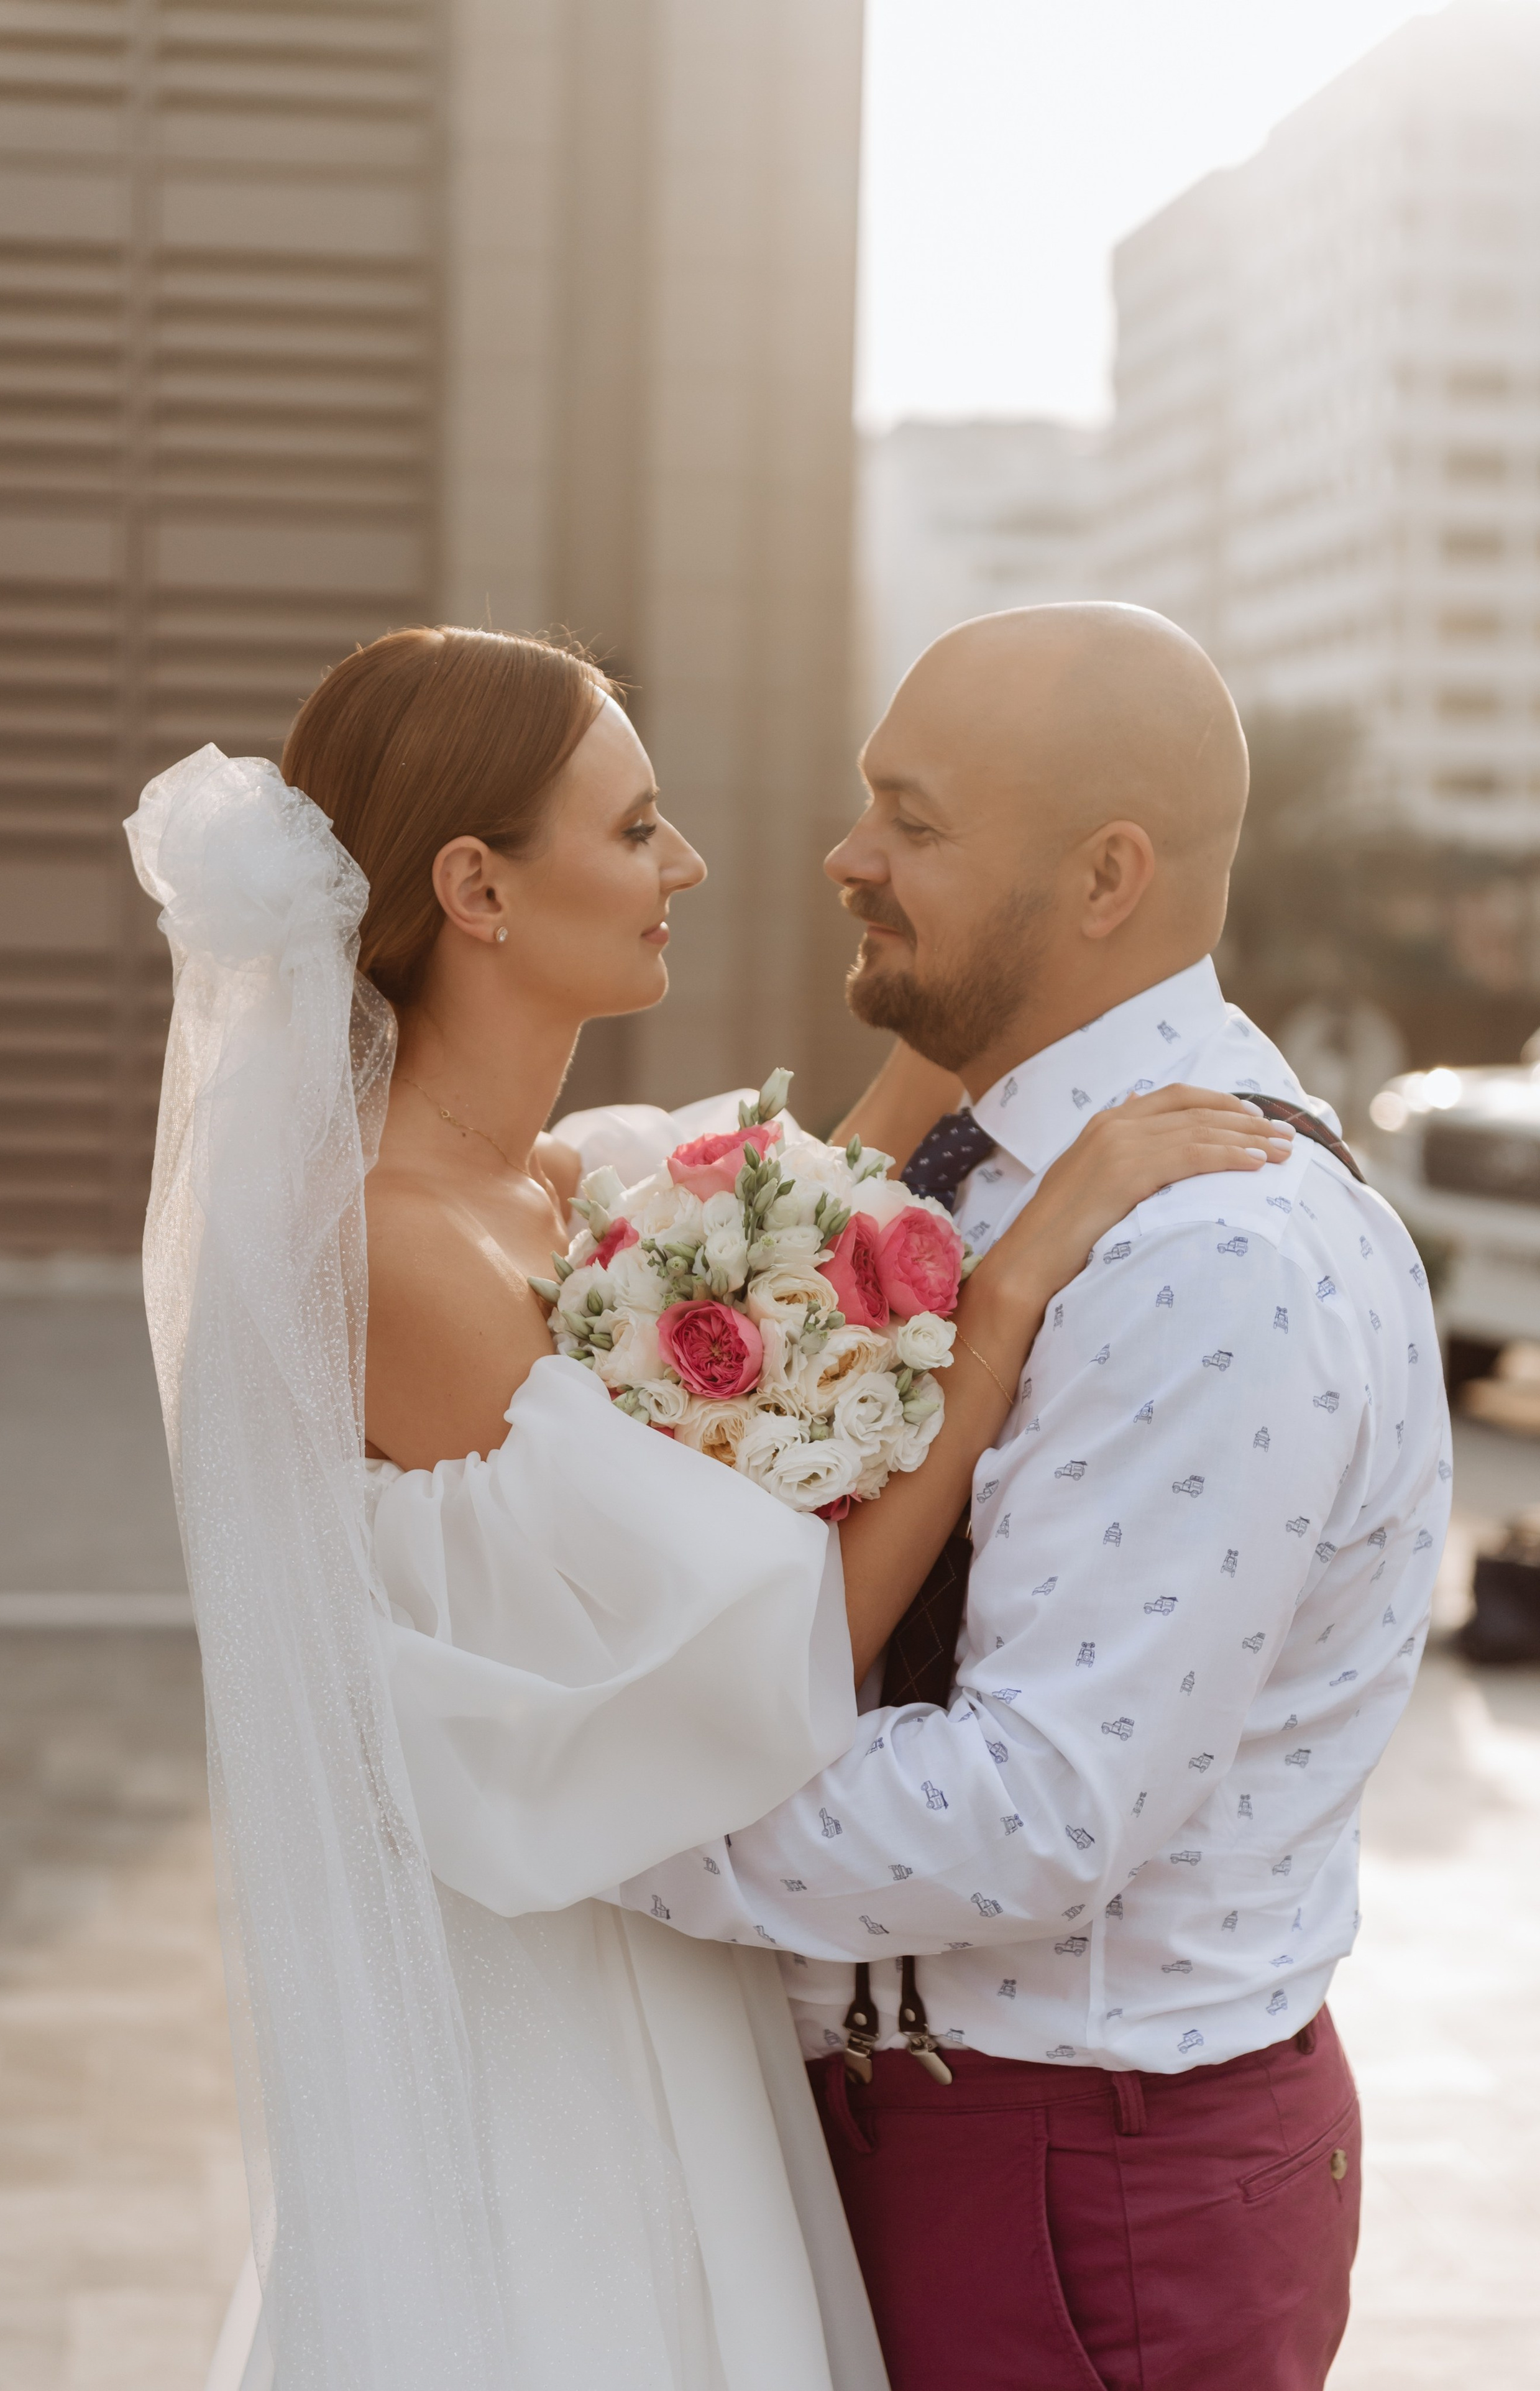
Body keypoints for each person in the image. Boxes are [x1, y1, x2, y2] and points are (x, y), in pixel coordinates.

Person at [127, 623, 1287, 2391]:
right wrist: (1018, 1283)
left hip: (670, 1984)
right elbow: (775, 1656)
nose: (691, 863)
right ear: (479, 889)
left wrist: (1012, 979)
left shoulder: (561, 1187)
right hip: (561, 2051)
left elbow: (808, 1204)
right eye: (635, 826)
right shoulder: (399, 1261)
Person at [612, 604, 1451, 2391]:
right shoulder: (984, 1169)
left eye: (913, 821)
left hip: (1080, 2173)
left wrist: (604, 1800)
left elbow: (1034, 1811)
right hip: (944, 2134)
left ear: (1104, 877)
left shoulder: (1211, 1250)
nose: (849, 859)